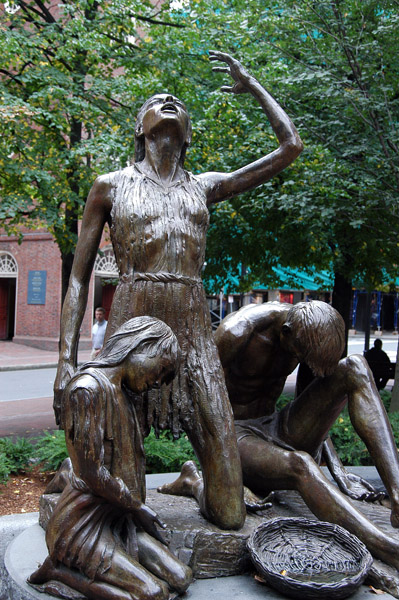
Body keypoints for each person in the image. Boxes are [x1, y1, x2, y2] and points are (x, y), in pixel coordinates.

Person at [53, 50, 303, 531]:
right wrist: (66, 359)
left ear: (187, 134)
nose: (168, 101)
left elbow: (290, 147)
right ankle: (74, 493)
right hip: (131, 332)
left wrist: (251, 84)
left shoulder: (204, 186)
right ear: (139, 128)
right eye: (156, 100)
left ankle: (194, 480)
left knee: (231, 513)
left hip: (193, 333)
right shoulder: (109, 186)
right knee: (122, 500)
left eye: (177, 103)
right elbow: (80, 277)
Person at [160, 301, 399, 571]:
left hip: (276, 426)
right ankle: (388, 550)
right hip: (234, 435)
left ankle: (398, 492)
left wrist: (338, 470)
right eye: (299, 354)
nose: (298, 360)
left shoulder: (309, 333)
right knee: (301, 464)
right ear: (285, 332)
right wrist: (225, 473)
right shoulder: (237, 333)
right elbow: (194, 402)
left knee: (355, 366)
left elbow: (314, 399)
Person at [29, 316, 192, 600]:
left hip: (118, 522)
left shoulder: (126, 395)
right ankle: (58, 570)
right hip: (82, 526)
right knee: (152, 594)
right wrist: (137, 506)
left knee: (183, 577)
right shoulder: (87, 390)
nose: (157, 382)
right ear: (141, 346)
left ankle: (112, 563)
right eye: (160, 370)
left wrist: (133, 511)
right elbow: (91, 472)